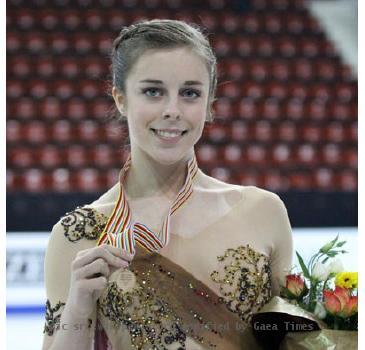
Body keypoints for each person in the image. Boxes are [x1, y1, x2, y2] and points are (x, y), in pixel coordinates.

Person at [42, 19, 293, 350]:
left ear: (209, 103)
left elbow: (295, 338)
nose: (172, 110)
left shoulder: (264, 211)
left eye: (190, 93)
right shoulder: (80, 233)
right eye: (153, 92)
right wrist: (79, 305)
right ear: (120, 98)